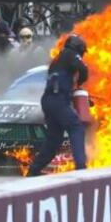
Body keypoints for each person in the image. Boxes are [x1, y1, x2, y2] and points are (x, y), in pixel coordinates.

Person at [27, 34, 89, 176]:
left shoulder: (57, 60)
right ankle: (81, 169)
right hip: (58, 100)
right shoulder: (70, 54)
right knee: (76, 128)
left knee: (54, 140)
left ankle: (33, 171)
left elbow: (62, 81)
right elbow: (83, 70)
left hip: (49, 100)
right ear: (78, 48)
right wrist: (80, 83)